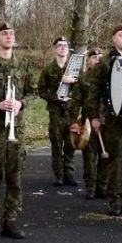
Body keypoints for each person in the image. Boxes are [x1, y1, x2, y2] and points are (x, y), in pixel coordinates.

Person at [0, 22, 37, 240]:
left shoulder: (23, 64)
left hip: (16, 128)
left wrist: (21, 103)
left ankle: (11, 219)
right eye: (4, 34)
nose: (9, 36)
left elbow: (33, 92)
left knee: (15, 176)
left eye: (11, 33)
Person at [85, 24, 122, 216]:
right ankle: (115, 200)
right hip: (115, 119)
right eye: (121, 35)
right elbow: (93, 92)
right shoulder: (105, 63)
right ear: (114, 39)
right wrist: (94, 116)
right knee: (116, 161)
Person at [68, 47, 108, 199]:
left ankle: (102, 186)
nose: (97, 59)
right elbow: (75, 101)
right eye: (94, 57)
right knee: (90, 156)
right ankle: (90, 187)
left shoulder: (110, 77)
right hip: (88, 121)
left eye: (100, 57)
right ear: (89, 60)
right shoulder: (84, 78)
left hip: (107, 120)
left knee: (106, 155)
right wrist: (74, 122)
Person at [37, 36, 78, 186]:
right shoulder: (48, 70)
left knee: (70, 144)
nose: (62, 48)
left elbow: (83, 87)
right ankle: (59, 174)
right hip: (55, 112)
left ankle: (69, 173)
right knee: (56, 143)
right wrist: (56, 97)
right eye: (59, 45)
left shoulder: (74, 69)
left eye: (65, 45)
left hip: (71, 112)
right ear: (55, 49)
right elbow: (41, 90)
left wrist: (74, 81)